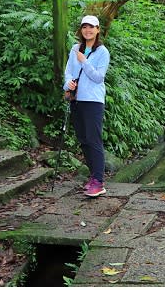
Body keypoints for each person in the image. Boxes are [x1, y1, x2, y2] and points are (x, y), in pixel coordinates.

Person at [63, 14, 110, 197]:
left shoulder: (102, 52)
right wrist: (68, 85)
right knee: (83, 139)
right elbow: (68, 72)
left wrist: (85, 61)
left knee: (93, 139)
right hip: (77, 99)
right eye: (84, 27)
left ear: (98, 30)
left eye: (91, 27)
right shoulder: (75, 48)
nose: (87, 30)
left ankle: (99, 182)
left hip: (93, 101)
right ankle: (93, 177)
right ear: (81, 30)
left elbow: (98, 77)